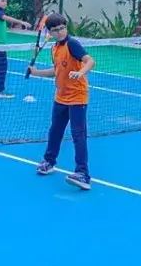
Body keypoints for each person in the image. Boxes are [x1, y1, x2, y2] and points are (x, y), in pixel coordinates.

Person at [30, 14, 93, 191]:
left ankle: (83, 174)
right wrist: (36, 72)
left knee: (78, 135)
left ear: (66, 27)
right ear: (50, 32)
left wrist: (81, 73)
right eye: (55, 30)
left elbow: (89, 61)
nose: (59, 32)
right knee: (55, 131)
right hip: (61, 97)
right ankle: (49, 162)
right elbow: (57, 71)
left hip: (77, 97)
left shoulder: (72, 44)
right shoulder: (54, 48)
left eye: (62, 28)